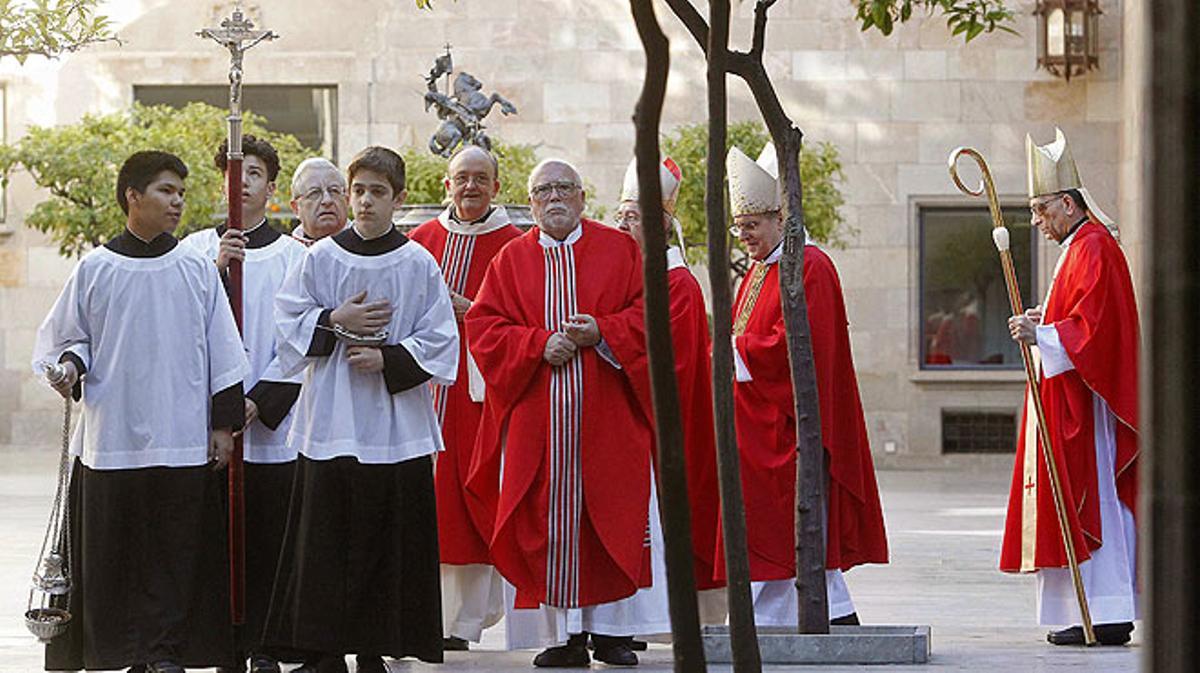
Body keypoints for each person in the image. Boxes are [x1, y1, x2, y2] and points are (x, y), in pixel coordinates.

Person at [32, 150, 249, 673]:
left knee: (176, 555)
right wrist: (67, 368)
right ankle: (122, 652)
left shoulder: (195, 266)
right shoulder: (96, 267)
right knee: (116, 557)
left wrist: (223, 426)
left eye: (179, 192)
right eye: (165, 191)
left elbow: (223, 349)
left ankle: (166, 651)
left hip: (180, 437)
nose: (177, 201)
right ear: (133, 195)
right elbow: (69, 339)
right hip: (113, 439)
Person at [266, 146, 458, 672]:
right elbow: (286, 323)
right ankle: (323, 650)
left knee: (386, 539)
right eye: (358, 191)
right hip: (331, 419)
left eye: (378, 192)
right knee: (323, 540)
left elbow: (441, 340)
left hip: (394, 424)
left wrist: (389, 357)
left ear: (398, 198)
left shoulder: (418, 261)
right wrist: (333, 318)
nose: (365, 202)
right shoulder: (321, 258)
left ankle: (376, 646)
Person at [465, 159, 657, 667]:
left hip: (608, 419)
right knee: (546, 525)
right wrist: (535, 345)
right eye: (543, 190)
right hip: (539, 425)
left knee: (609, 520)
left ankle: (612, 634)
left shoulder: (620, 251)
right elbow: (484, 327)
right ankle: (562, 638)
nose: (554, 197)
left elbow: (650, 314)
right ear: (529, 203)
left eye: (564, 188)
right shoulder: (509, 260)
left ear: (581, 196)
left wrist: (605, 333)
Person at [724, 144, 888, 627]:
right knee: (769, 527)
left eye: (751, 225)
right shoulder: (759, 270)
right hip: (756, 425)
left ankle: (828, 614)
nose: (743, 237)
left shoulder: (809, 266)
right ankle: (804, 614)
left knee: (788, 524)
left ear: (780, 217)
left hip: (789, 426)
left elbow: (803, 348)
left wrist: (733, 354)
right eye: (739, 227)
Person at [1002, 129, 1139, 647]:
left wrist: (1043, 334)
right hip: (1067, 395)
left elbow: (1097, 331)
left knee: (1092, 499)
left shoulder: (1096, 247)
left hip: (1088, 404)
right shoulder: (1079, 248)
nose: (1037, 222)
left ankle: (1104, 613)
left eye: (1041, 210)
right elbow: (1079, 315)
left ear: (1067, 202)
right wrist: (1046, 319)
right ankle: (1088, 612)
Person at [182, 135, 306, 673]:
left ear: (272, 187)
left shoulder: (294, 257)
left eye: (254, 174)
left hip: (269, 428)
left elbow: (300, 341)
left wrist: (256, 402)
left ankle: (264, 644)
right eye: (235, 174)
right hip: (206, 426)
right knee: (211, 542)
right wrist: (214, 269)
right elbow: (180, 327)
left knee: (268, 541)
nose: (244, 184)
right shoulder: (189, 251)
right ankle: (218, 645)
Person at [408, 145, 522, 652]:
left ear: (497, 188)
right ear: (445, 186)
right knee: (425, 502)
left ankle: (464, 622)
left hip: (480, 393)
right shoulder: (420, 240)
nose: (471, 186)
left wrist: (470, 309)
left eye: (481, 179)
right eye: (462, 178)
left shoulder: (517, 245)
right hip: (421, 390)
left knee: (470, 499)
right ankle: (419, 613)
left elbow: (525, 318)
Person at [614, 155, 726, 626]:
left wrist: (608, 346)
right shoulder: (622, 277)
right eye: (619, 216)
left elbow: (671, 366)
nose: (621, 227)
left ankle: (668, 617)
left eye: (633, 218)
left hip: (664, 432)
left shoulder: (679, 285)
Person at [289, 157, 349, 245]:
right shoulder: (286, 255)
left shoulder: (369, 248)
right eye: (314, 193)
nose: (327, 200)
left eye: (334, 191)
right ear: (296, 208)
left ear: (347, 200)